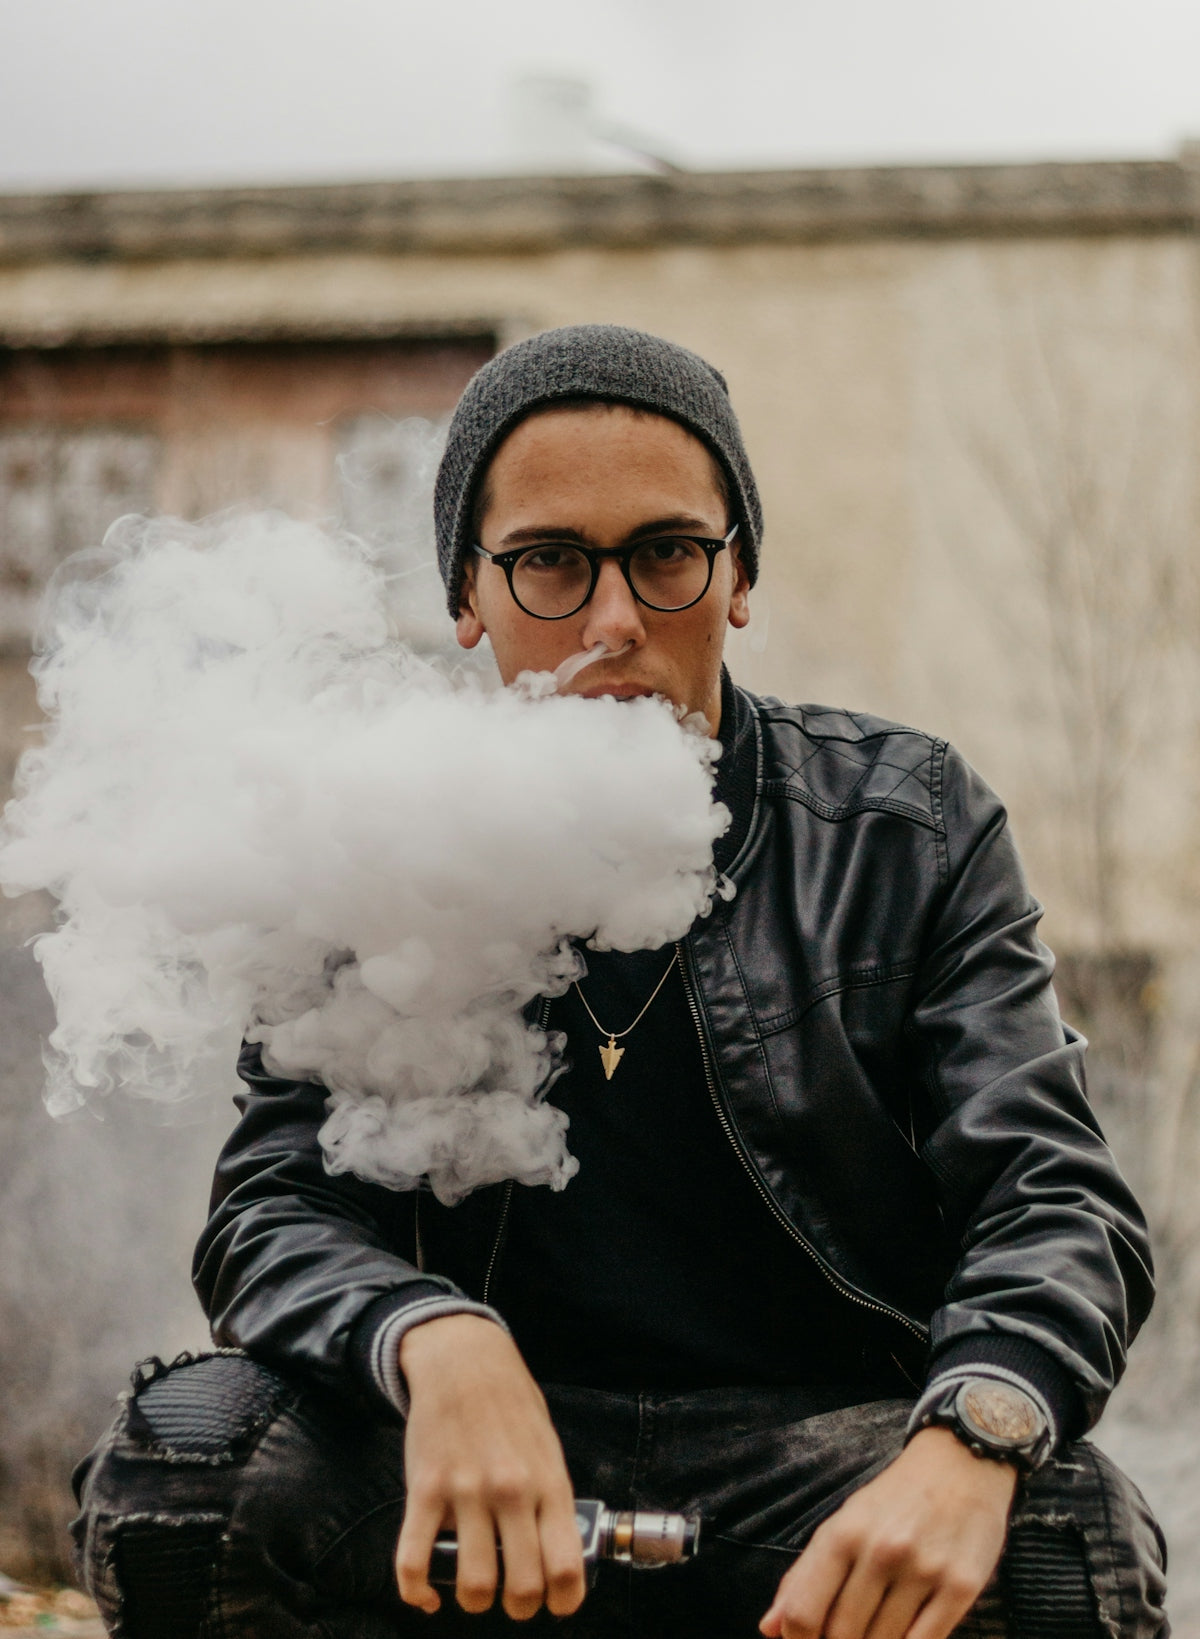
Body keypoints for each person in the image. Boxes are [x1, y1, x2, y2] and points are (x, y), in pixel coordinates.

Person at [72, 325, 1169, 1638]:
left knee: (1065, 1539)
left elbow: (1055, 1195)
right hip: (477, 1469)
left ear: (739, 573)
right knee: (189, 1466)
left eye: (666, 555)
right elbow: (271, 1206)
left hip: (814, 1472)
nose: (611, 623)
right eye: (548, 562)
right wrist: (432, 1336)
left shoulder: (905, 827)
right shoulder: (372, 836)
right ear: (467, 597)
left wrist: (975, 1431)